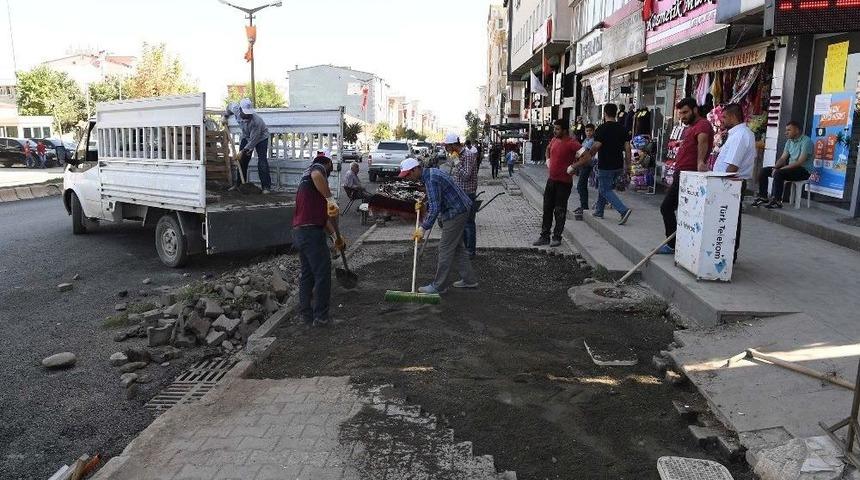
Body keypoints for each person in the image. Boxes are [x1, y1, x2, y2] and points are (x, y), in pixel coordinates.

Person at [399, 157, 477, 294]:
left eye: (408, 174)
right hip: (460, 208)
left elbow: (435, 208)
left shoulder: (431, 179)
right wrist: (424, 203)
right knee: (457, 247)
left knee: (445, 248)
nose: (408, 178)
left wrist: (423, 227)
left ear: (416, 169)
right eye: (405, 176)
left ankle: (438, 286)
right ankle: (469, 280)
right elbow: (435, 198)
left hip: (456, 212)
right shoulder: (430, 174)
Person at [292, 154, 343, 327]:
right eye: (330, 169)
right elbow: (317, 174)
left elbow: (325, 219)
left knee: (307, 274)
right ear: (327, 164)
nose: (328, 173)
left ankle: (305, 316)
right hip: (311, 233)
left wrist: (336, 237)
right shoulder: (316, 169)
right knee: (322, 274)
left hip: (300, 232)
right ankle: (321, 317)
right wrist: (330, 198)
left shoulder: (312, 187)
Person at [659, 98, 713, 254]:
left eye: (685, 112)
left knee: (666, 207)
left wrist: (701, 162)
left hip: (688, 175)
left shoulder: (702, 125)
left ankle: (672, 244)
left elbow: (702, 141)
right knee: (681, 210)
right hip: (682, 174)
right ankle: (679, 243)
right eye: (680, 113)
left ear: (695, 110)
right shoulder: (692, 127)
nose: (682, 116)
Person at [712, 103, 756, 260]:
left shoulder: (741, 135)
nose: (722, 120)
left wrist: (719, 185)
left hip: (731, 183)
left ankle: (729, 254)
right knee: (726, 218)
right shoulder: (736, 134)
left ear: (732, 116)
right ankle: (725, 252)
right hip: (727, 182)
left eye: (724, 117)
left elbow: (732, 166)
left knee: (729, 220)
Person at [532, 119, 586, 247]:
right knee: (547, 209)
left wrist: (574, 166)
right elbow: (547, 149)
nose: (554, 131)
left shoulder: (573, 143)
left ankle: (557, 237)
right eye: (554, 129)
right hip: (551, 181)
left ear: (564, 130)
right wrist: (548, 159)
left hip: (564, 182)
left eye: (557, 129)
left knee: (559, 210)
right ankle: (544, 236)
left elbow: (587, 156)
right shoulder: (554, 140)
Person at [752, 120, 814, 209]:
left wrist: (781, 169)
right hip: (791, 169)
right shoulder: (789, 142)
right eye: (786, 130)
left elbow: (800, 162)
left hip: (803, 170)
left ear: (797, 130)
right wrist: (775, 167)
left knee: (779, 173)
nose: (786, 133)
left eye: (789, 130)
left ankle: (777, 201)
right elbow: (783, 158)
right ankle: (763, 196)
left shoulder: (806, 141)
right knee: (764, 170)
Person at [590, 104, 633, 225]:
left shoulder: (601, 128)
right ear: (615, 113)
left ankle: (623, 210)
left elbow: (596, 146)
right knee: (604, 187)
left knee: (605, 190)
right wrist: (628, 165)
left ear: (605, 114)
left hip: (605, 164)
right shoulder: (623, 128)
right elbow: (627, 148)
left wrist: (589, 155)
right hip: (618, 164)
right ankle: (599, 210)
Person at [448, 134, 479, 258]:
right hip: (459, 193)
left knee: (468, 223)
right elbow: (455, 174)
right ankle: (464, 249)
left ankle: (470, 251)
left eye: (449, 147)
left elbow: (466, 176)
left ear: (454, 145)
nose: (448, 150)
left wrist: (456, 162)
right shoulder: (458, 156)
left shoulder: (468, 156)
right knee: (461, 223)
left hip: (467, 193)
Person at [237, 98, 273, 194]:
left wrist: (243, 151)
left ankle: (266, 187)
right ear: (240, 110)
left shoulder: (256, 121)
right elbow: (229, 107)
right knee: (242, 160)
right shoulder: (236, 110)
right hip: (247, 136)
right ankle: (239, 184)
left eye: (249, 113)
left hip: (261, 138)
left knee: (262, 160)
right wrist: (225, 116)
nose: (247, 114)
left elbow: (254, 139)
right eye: (245, 112)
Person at [573, 124, 596, 221]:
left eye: (590, 130)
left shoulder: (592, 141)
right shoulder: (585, 140)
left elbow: (583, 151)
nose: (588, 133)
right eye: (587, 131)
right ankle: (583, 205)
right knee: (582, 186)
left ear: (594, 131)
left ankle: (584, 207)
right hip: (583, 165)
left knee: (580, 186)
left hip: (588, 165)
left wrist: (577, 155)